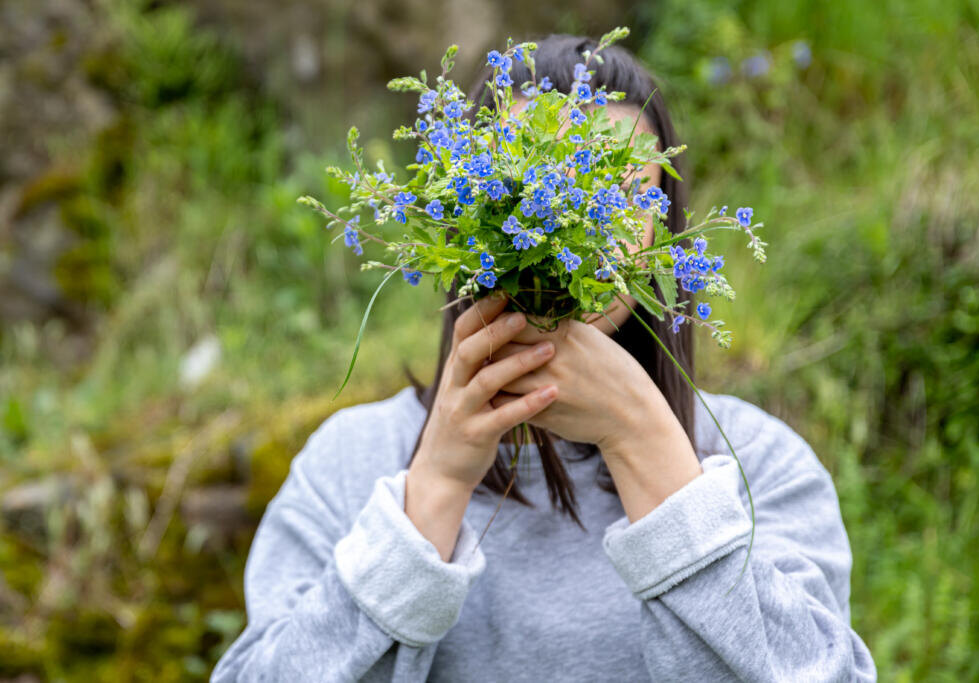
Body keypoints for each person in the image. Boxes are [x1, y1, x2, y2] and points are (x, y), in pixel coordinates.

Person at [212, 34, 877, 682]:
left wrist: (643, 437)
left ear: (661, 237)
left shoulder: (759, 467)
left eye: (614, 195)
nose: (574, 225)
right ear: (462, 214)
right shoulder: (355, 461)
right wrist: (434, 490)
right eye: (533, 181)